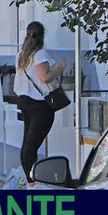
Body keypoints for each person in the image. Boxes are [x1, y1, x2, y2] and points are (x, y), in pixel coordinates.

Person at [14, 21, 67, 184]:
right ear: (42, 36)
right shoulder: (39, 54)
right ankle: (32, 181)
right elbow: (45, 77)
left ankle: (30, 180)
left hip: (25, 102)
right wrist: (60, 68)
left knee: (27, 143)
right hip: (39, 105)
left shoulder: (22, 55)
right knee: (32, 145)